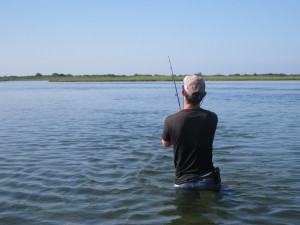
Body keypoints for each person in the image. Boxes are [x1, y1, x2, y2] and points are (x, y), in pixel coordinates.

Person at [161, 74, 221, 190]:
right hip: (209, 179)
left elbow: (166, 144)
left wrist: (179, 119)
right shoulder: (212, 117)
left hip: (183, 182)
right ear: (204, 95)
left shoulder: (170, 120)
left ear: (183, 93)